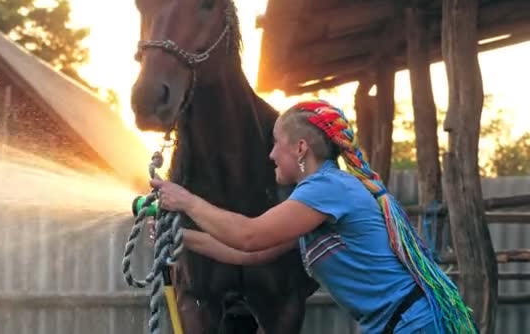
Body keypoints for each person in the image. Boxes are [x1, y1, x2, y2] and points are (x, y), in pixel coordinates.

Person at [149, 100, 477, 334]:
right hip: (397, 323)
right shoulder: (316, 200)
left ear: (301, 148)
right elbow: (250, 252)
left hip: (414, 325)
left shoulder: (327, 189)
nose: (271, 153)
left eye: (277, 143)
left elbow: (249, 234)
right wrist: (181, 238)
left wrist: (187, 202)